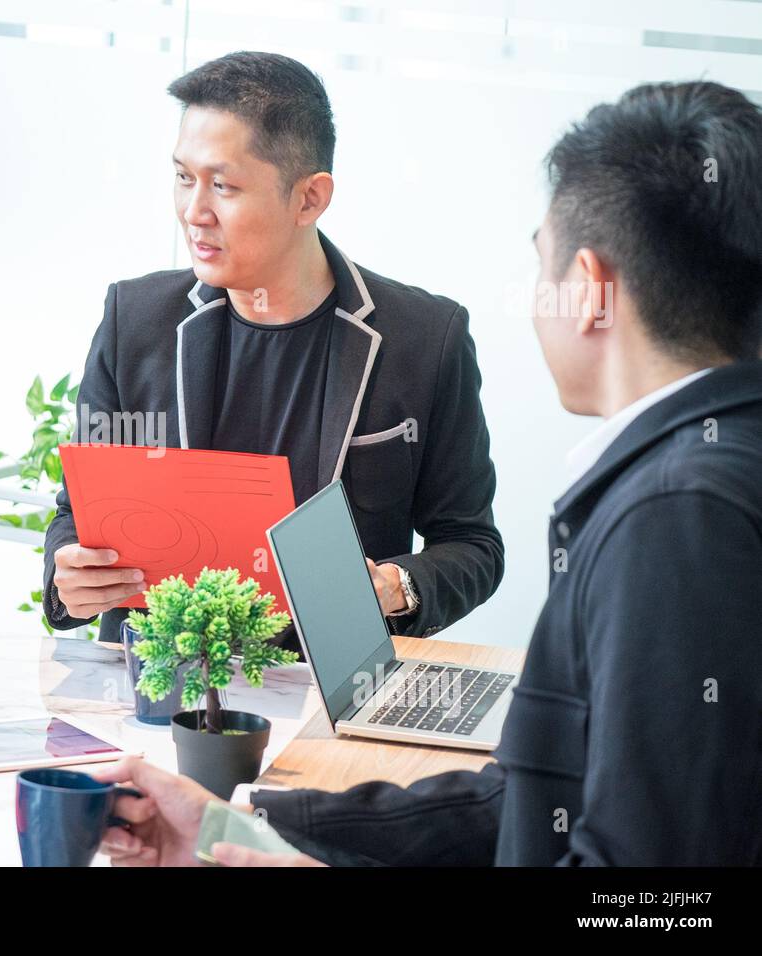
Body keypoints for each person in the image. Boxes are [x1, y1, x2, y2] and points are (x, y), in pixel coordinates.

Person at [93, 79, 762, 866]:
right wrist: (244, 829)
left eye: (540, 267)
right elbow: (535, 796)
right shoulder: (702, 473)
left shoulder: (678, 513)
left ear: (589, 292)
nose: (196, 207)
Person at [44, 52, 503, 645]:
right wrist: (72, 578)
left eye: (224, 186)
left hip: (331, 691)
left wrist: (393, 585)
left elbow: (473, 544)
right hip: (156, 690)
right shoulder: (134, 320)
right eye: (184, 177)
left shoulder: (425, 338)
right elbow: (75, 515)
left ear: (309, 198)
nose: (193, 212)